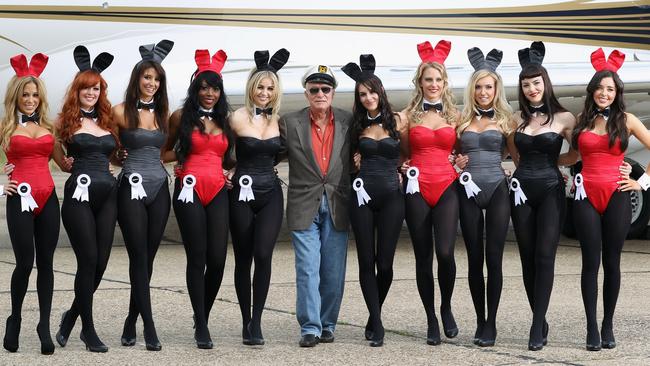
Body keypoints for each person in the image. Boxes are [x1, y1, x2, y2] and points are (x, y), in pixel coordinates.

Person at [571, 48, 650, 351]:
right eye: (600, 88)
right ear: (592, 91)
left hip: (617, 195)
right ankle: (591, 327)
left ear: (617, 93)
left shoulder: (626, 119)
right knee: (590, 263)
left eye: (610, 89)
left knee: (612, 263)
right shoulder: (581, 120)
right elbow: (573, 156)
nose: (604, 94)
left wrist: (641, 182)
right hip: (586, 195)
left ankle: (608, 325)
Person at [507, 41, 578, 351]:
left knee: (545, 255)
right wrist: (524, 171)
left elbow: (576, 153)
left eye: (536, 83)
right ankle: (540, 316)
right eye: (526, 84)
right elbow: (513, 151)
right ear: (521, 88)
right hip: (521, 191)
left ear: (545, 83)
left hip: (550, 190)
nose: (532, 88)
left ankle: (537, 323)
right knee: (526, 256)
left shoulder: (565, 118)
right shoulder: (514, 118)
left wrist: (556, 164)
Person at [162, 49, 233, 349]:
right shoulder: (180, 117)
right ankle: (201, 323)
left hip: (217, 190)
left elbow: (231, 158)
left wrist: (232, 171)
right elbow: (162, 152)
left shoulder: (225, 119)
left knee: (217, 260)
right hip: (188, 189)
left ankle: (202, 312)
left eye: (214, 88)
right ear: (195, 88)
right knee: (198, 256)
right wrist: (180, 155)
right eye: (203, 87)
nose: (209, 93)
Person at [279, 64, 352, 347]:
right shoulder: (289, 122)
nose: (320, 93)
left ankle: (328, 324)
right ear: (306, 93)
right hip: (303, 203)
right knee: (308, 268)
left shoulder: (348, 121)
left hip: (337, 203)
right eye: (314, 89)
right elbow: (267, 151)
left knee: (333, 270)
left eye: (325, 89)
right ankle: (310, 326)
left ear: (333, 92)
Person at [1, 53, 67, 355]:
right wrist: (1, 186)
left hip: (48, 199)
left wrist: (95, 159)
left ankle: (43, 324)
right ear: (16, 95)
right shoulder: (4, 127)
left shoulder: (50, 128)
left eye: (35, 95)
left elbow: (64, 165)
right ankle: (14, 318)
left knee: (47, 264)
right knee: (25, 263)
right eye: (25, 95)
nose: (30, 100)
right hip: (19, 200)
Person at [55, 45, 118, 353]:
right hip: (78, 197)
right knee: (88, 260)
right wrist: (61, 162)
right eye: (86, 88)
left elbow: (116, 155)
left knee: (102, 263)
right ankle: (88, 330)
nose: (91, 93)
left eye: (96, 88)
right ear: (76, 91)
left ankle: (70, 318)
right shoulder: (64, 122)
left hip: (108, 196)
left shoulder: (108, 120)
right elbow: (53, 152)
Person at [113, 39, 173, 351]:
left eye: (156, 79)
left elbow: (167, 151)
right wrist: (117, 157)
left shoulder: (163, 113)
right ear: (137, 79)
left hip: (160, 186)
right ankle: (148, 325)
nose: (151, 83)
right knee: (137, 255)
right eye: (146, 77)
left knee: (148, 257)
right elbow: (107, 150)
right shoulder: (120, 111)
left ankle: (130, 320)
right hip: (131, 187)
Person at [341, 54, 404, 347]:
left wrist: (405, 168)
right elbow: (347, 164)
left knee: (386, 264)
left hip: (392, 195)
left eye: (372, 92)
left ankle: (372, 314)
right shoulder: (355, 126)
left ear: (380, 91)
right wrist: (354, 164)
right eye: (362, 94)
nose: (368, 98)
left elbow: (410, 152)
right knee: (367, 260)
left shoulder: (398, 121)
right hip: (362, 195)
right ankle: (376, 322)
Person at [227, 48, 289, 346]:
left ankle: (258, 321)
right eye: (260, 87)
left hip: (270, 193)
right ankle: (244, 320)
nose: (264, 93)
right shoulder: (235, 118)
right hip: (241, 191)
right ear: (251, 87)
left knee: (264, 255)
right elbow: (220, 152)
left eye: (270, 88)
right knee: (243, 257)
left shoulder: (280, 121)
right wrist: (223, 172)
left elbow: (288, 153)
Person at [400, 40, 459, 345]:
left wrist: (465, 161)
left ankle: (446, 306)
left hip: (448, 185)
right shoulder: (407, 117)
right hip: (417, 187)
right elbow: (402, 153)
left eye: (438, 80)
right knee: (423, 257)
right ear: (419, 82)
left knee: (445, 252)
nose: (433, 85)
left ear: (445, 83)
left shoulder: (456, 116)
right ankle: (431, 319)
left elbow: (465, 150)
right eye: (428, 79)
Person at [455, 47, 514, 347]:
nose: (483, 91)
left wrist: (510, 171)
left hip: (497, 189)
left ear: (496, 88)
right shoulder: (461, 119)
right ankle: (480, 319)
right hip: (467, 191)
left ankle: (492, 323)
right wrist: (456, 163)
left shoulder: (507, 121)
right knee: (474, 259)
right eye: (478, 86)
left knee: (494, 258)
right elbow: (449, 153)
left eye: (488, 86)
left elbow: (520, 155)